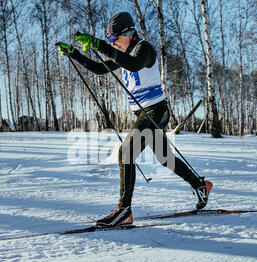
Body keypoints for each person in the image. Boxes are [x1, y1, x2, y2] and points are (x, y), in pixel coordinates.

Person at [56, 12, 212, 227]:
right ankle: (200, 185)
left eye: (113, 39)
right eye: (110, 40)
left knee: (126, 153)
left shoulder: (144, 49)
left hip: (155, 112)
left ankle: (124, 210)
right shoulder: (124, 53)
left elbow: (134, 65)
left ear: (127, 33)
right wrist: (74, 54)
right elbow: (100, 69)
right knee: (165, 158)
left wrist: (99, 44)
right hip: (144, 114)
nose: (113, 43)